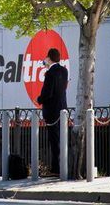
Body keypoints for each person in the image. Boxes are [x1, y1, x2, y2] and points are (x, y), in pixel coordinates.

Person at [37, 48, 68, 176]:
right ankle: (63, 167)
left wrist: (39, 99)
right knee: (62, 139)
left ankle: (56, 169)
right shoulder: (64, 71)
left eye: (46, 58)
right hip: (62, 109)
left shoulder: (50, 73)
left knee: (54, 141)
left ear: (49, 58)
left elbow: (47, 93)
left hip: (52, 111)